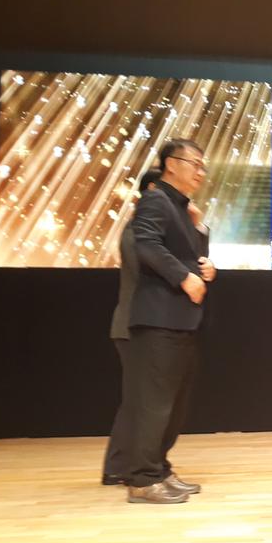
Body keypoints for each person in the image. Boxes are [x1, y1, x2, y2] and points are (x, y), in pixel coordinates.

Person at [102, 169, 212, 487]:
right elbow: (156, 263)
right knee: (144, 403)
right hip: (137, 322)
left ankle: (126, 466)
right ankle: (132, 469)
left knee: (143, 402)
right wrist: (185, 273)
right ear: (153, 189)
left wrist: (197, 229)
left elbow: (190, 257)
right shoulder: (139, 229)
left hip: (153, 320)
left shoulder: (163, 227)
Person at [124, 139, 217, 503]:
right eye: (195, 164)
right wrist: (184, 277)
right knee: (155, 404)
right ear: (171, 164)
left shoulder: (180, 208)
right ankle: (142, 479)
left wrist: (204, 261)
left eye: (202, 166)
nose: (200, 172)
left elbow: (191, 255)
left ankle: (159, 468)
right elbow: (146, 245)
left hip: (182, 320)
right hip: (159, 318)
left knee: (174, 404)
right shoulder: (155, 199)